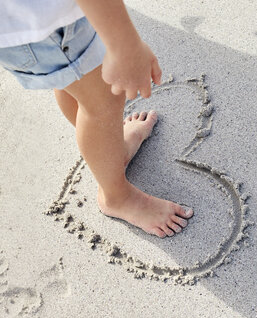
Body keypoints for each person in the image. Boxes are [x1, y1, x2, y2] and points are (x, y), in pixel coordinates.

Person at [0, 0, 193, 238]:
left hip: (25, 25)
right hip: (44, 27)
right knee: (103, 101)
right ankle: (117, 197)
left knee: (72, 81)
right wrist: (126, 47)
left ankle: (110, 150)